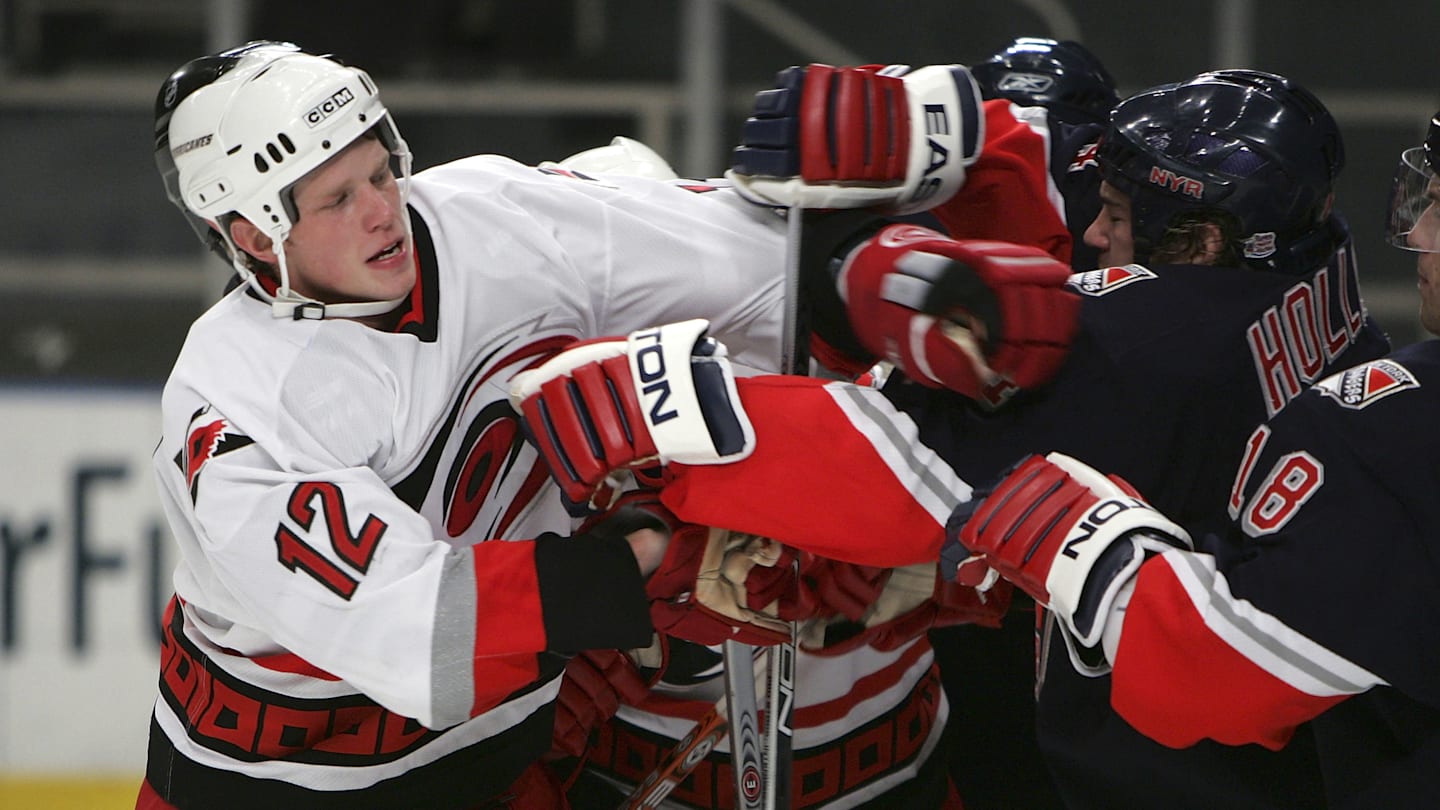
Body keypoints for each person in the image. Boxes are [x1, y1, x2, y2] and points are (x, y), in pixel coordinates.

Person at [137, 41, 1075, 809]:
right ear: (256, 233)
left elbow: (740, 258)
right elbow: (422, 632)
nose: (386, 210)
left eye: (382, 170)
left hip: (498, 759)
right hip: (272, 779)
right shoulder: (234, 405)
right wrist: (648, 558)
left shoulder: (494, 218)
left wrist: (864, 279)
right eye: (338, 200)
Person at [509, 69, 1392, 809]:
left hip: (1174, 760)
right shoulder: (1316, 263)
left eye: (1118, 217)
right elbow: (1073, 150)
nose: (1092, 234)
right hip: (1302, 737)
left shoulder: (1145, 348)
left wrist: (653, 401)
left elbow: (885, 465)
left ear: (1196, 240)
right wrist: (937, 125)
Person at [944, 107, 1440, 809]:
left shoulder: (1387, 423)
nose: (1417, 234)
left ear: (1204, 239)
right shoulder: (1343, 327)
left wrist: (1093, 549)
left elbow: (1226, 674)